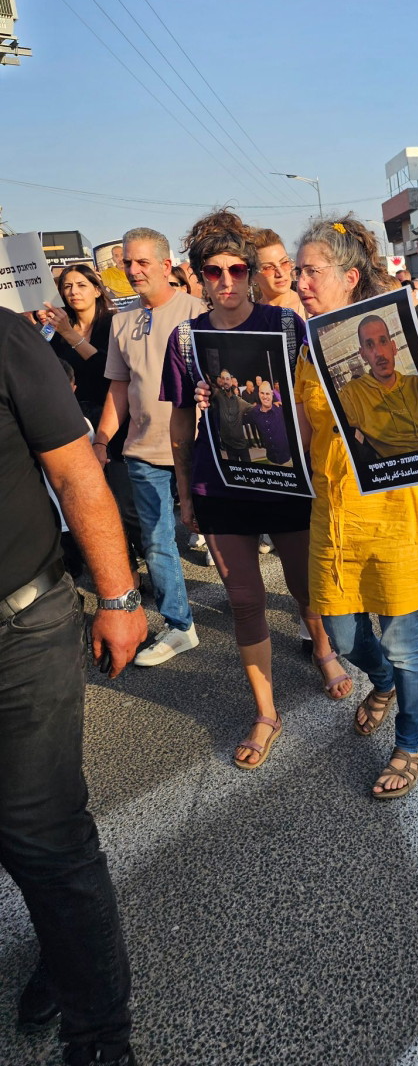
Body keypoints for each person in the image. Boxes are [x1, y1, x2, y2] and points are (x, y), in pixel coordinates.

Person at [0, 308, 146, 1066]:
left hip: (19, 627)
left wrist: (119, 598)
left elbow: (75, 469)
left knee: (43, 835)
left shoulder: (5, 338)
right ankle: (62, 952)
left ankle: (99, 1034)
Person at [164, 209, 341, 770]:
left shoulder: (286, 326)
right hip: (220, 484)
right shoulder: (186, 339)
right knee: (244, 599)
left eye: (236, 270)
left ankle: (323, 649)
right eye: (213, 272)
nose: (226, 282)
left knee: (304, 584)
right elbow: (179, 424)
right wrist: (184, 493)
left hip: (286, 481)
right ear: (199, 277)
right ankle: (266, 712)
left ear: (251, 272)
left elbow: (318, 396)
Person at [292, 215, 418, 797]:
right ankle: (380, 681)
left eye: (311, 271)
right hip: (335, 516)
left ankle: (410, 744)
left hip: (396, 516)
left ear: (349, 276)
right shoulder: (304, 350)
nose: (301, 282)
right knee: (341, 636)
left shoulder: (403, 347)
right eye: (298, 272)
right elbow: (300, 432)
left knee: (406, 644)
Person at [94, 227, 206, 666]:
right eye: (127, 262)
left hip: (197, 448)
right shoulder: (121, 322)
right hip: (142, 452)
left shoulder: (198, 313)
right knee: (157, 542)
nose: (133, 270)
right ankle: (180, 626)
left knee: (221, 541)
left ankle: (254, 617)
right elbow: (119, 388)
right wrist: (103, 439)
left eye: (142, 261)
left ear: (165, 265)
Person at [40, 263, 145, 579]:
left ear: (97, 290)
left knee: (125, 503)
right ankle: (124, 572)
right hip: (75, 422)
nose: (74, 292)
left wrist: (69, 334)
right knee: (92, 502)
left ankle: (146, 556)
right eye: (67, 286)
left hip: (114, 419)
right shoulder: (55, 330)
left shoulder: (113, 324)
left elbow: (107, 370)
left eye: (81, 285)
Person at [338, 314, 418, 458]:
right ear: (363, 354)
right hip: (390, 470)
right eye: (370, 345)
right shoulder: (352, 394)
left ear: (393, 347)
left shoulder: (417, 383)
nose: (379, 353)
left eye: (383, 341)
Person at [250, 227, 305, 317]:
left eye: (284, 262)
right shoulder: (250, 317)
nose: (280, 273)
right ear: (253, 275)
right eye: (268, 267)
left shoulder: (310, 307)